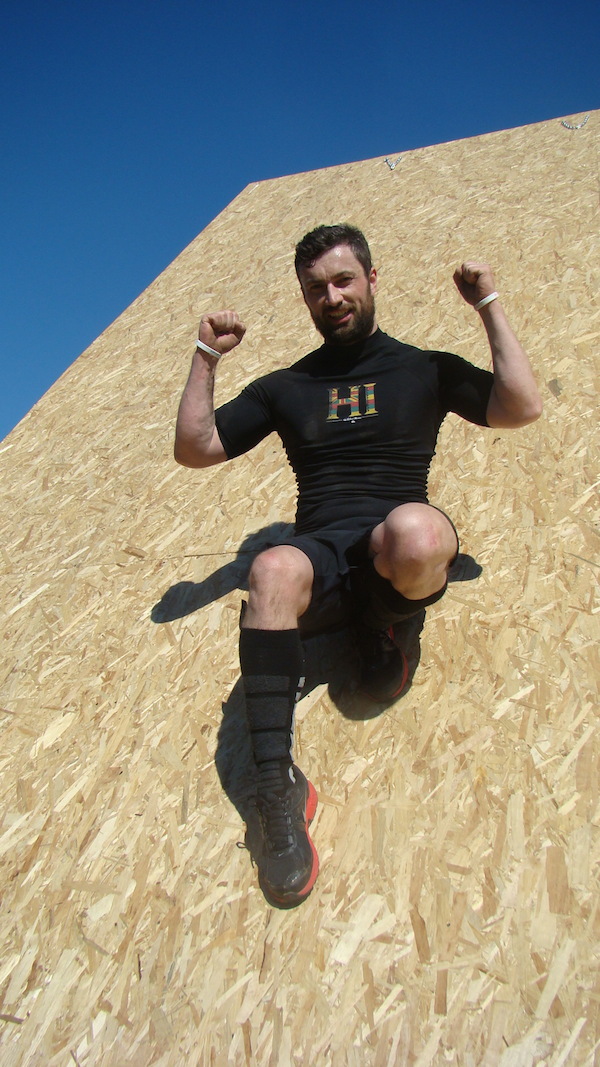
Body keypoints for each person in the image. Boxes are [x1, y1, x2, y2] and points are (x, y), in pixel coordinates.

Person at [174, 224, 542, 907]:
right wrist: (205, 357)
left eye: (343, 280)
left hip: (391, 550)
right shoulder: (287, 385)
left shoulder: (424, 368)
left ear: (371, 279)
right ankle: (278, 791)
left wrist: (489, 305)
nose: (333, 297)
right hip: (320, 560)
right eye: (316, 288)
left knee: (416, 531)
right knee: (270, 569)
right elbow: (195, 448)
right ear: (305, 299)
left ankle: (384, 626)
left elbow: (521, 406)